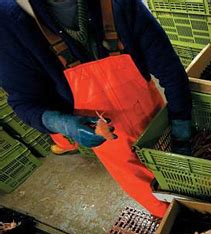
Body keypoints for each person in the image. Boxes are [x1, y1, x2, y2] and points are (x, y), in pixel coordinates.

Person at [0, 0, 193, 217]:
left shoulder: (121, 5)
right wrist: (61, 123)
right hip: (107, 139)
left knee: (192, 183)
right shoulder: (9, 20)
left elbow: (170, 69)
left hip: (154, 116)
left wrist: (180, 122)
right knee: (157, 202)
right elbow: (25, 102)